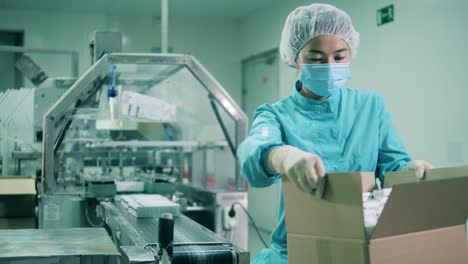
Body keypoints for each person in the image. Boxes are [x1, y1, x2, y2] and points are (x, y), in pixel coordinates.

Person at [237, 3, 433, 264]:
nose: (329, 66)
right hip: (296, 249)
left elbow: (392, 165)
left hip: (362, 243)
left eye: (339, 57)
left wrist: (411, 169)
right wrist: (283, 156)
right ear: (295, 57)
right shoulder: (276, 114)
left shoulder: (370, 106)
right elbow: (252, 155)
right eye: (316, 59)